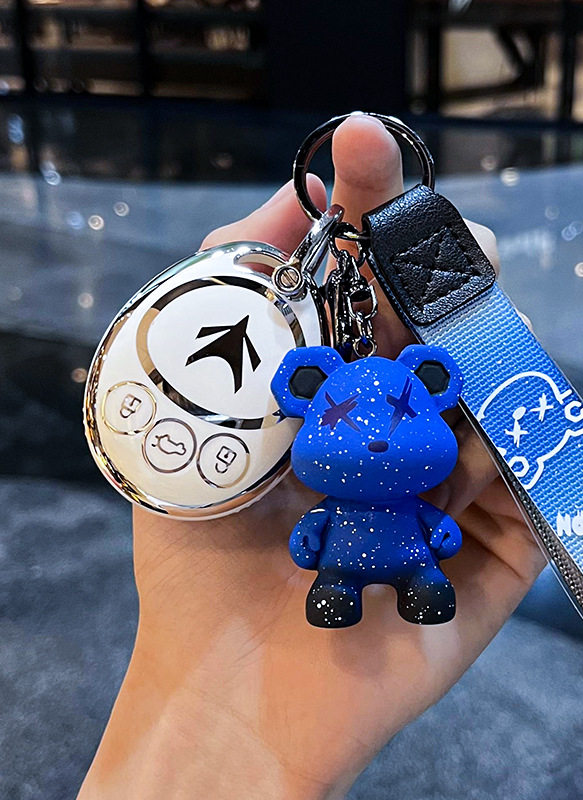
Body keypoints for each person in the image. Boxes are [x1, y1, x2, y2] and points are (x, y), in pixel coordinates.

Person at [77, 114, 546, 800]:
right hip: (340, 561)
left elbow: (419, 531)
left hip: (406, 554)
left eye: (401, 419)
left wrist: (436, 537)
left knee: (423, 569)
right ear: (302, 393)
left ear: (436, 383)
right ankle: (340, 591)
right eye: (348, 423)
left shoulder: (395, 457)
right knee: (344, 579)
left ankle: (412, 587)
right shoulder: (301, 380)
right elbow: (317, 534)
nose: (376, 439)